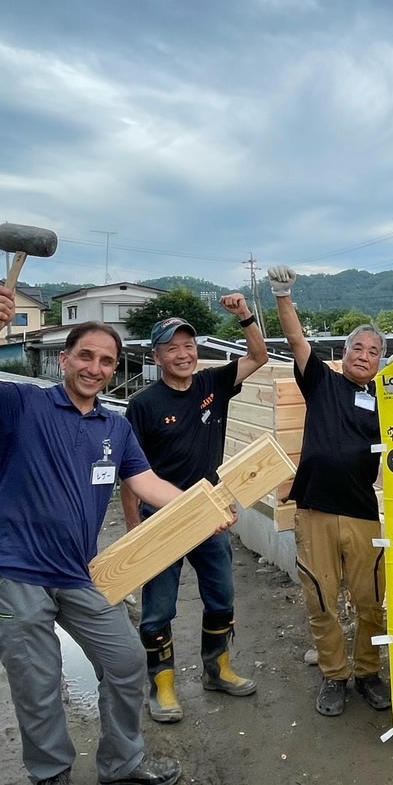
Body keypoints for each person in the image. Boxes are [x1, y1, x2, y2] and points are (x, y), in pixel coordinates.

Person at [0, 287, 212, 785]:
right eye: (85, 356)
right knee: (39, 683)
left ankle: (122, 765)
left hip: (76, 573)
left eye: (106, 361)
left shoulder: (115, 427)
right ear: (64, 359)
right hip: (13, 574)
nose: (95, 368)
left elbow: (148, 483)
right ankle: (50, 775)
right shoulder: (24, 404)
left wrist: (206, 507)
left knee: (126, 662)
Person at [122, 297, 269, 722]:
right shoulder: (144, 405)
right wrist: (134, 528)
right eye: (172, 348)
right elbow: (129, 474)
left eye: (188, 346)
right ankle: (162, 685)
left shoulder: (212, 385)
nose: (183, 354)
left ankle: (217, 669)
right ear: (157, 357)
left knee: (221, 595)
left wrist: (244, 316)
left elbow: (258, 356)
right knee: (159, 607)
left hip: (210, 515)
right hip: (160, 518)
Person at [267, 266, 391, 718]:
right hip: (316, 508)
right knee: (321, 599)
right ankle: (334, 675)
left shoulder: (387, 401)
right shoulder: (322, 381)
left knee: (370, 600)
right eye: (358, 348)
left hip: (362, 512)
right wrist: (283, 295)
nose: (364, 355)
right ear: (344, 353)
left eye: (373, 352)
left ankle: (368, 672)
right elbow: (297, 340)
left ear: (380, 363)